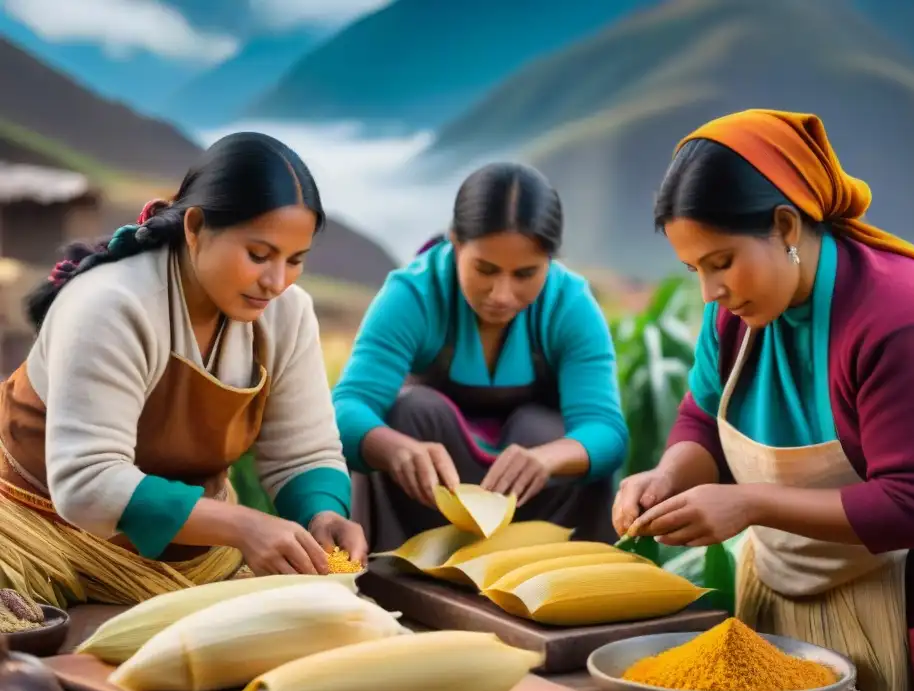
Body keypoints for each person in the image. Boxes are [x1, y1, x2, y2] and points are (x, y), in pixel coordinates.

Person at [613, 110, 914, 691]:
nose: (709, 290)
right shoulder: (736, 314)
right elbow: (701, 417)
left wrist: (747, 505)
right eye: (694, 268)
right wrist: (667, 476)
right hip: (796, 572)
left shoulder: (908, 322)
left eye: (720, 263)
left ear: (784, 226)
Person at [0, 132, 368, 608]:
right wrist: (243, 525)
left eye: (295, 260)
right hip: (38, 533)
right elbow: (87, 484)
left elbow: (302, 453)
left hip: (192, 552)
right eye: (258, 255)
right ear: (194, 227)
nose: (276, 281)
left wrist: (322, 513)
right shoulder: (109, 305)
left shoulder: (287, 312)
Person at [333, 162, 627, 551]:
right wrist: (394, 448)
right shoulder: (412, 295)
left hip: (535, 505)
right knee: (410, 413)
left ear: (551, 261)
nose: (502, 294)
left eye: (525, 274)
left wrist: (547, 460)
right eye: (485, 270)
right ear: (455, 244)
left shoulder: (570, 304)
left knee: (545, 433)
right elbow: (347, 406)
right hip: (429, 499)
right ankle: (395, 579)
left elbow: (606, 431)